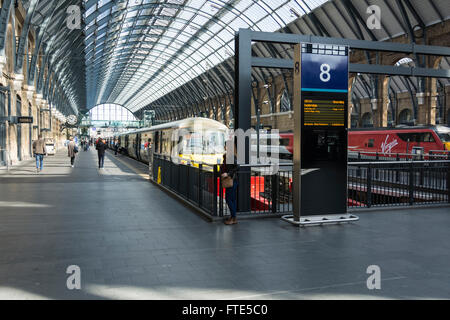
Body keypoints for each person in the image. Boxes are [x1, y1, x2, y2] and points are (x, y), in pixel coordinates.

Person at [220, 141, 239, 225]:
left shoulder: (231, 156)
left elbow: (238, 166)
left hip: (231, 180)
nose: (225, 147)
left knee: (228, 199)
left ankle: (233, 217)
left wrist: (228, 174)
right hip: (232, 180)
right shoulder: (228, 155)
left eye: (226, 146)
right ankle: (233, 218)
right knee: (232, 199)